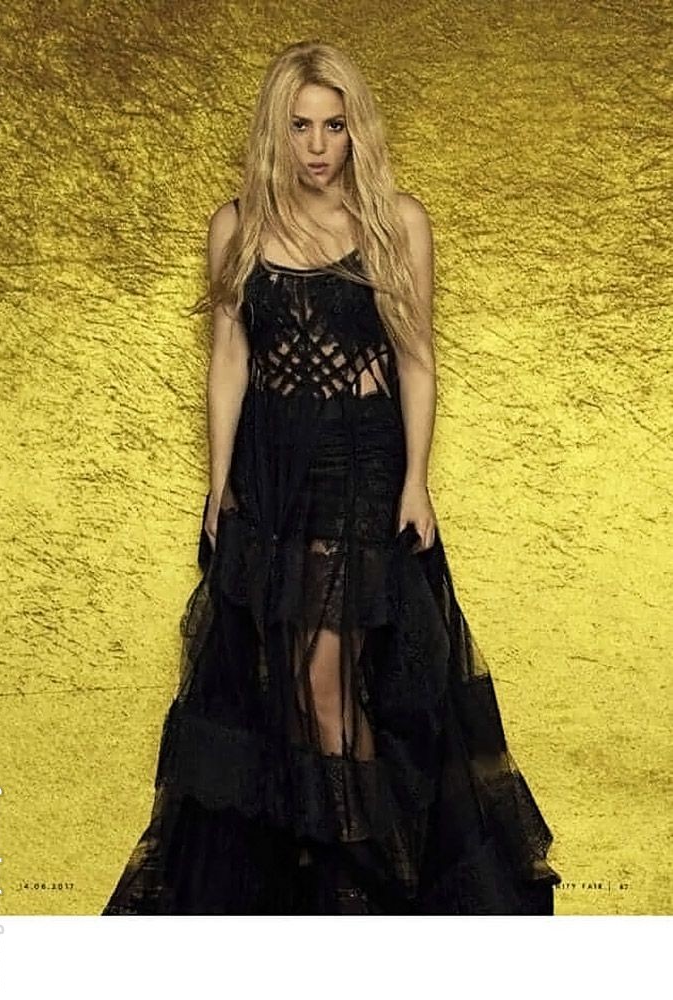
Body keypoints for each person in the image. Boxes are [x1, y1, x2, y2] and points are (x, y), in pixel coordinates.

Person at [102, 40, 561, 916]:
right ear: (275, 132)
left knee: (326, 683)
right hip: (271, 470)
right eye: (300, 126)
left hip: (359, 464)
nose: (316, 146)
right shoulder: (235, 226)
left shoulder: (396, 222)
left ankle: (372, 878)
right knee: (280, 678)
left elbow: (417, 360)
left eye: (334, 126)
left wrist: (415, 480)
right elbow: (228, 360)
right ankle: (333, 872)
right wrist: (218, 483)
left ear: (356, 131)